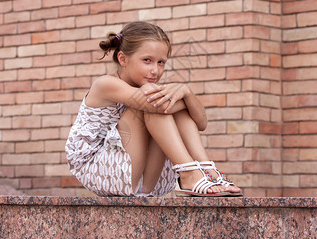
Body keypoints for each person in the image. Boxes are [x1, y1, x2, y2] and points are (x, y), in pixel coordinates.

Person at [65, 21, 242, 197]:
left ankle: (207, 170)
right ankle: (189, 174)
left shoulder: (151, 88)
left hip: (139, 173)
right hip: (97, 168)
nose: (155, 71)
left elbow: (201, 123)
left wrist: (186, 93)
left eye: (161, 62)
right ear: (123, 59)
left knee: (165, 100)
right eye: (147, 60)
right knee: (157, 102)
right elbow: (159, 105)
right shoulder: (106, 84)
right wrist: (184, 96)